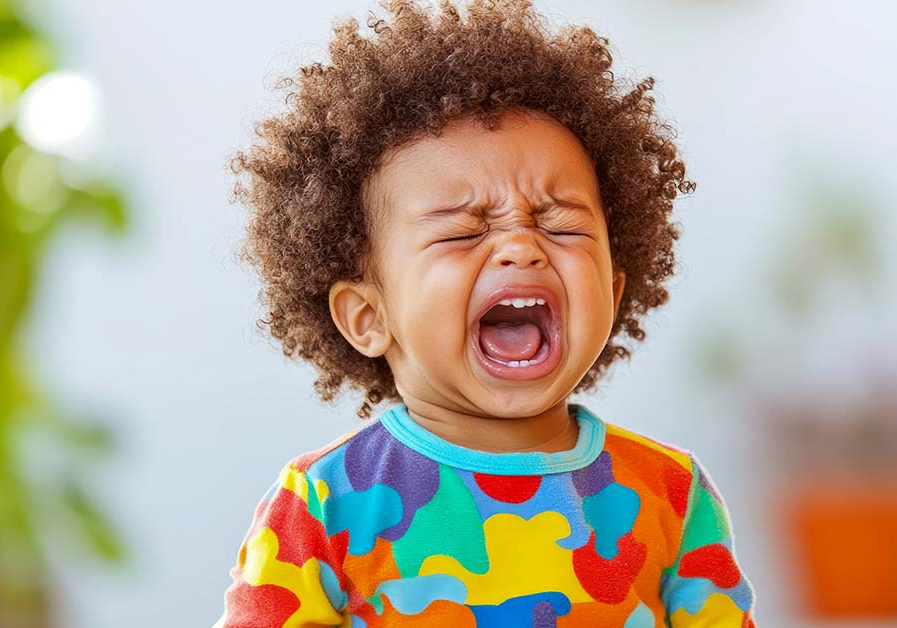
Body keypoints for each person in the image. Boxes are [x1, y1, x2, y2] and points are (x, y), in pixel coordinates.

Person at [214, 1, 758, 626]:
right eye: (461, 232)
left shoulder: (672, 495)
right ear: (368, 316)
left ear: (610, 291)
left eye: (560, 224)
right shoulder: (324, 506)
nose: (521, 246)